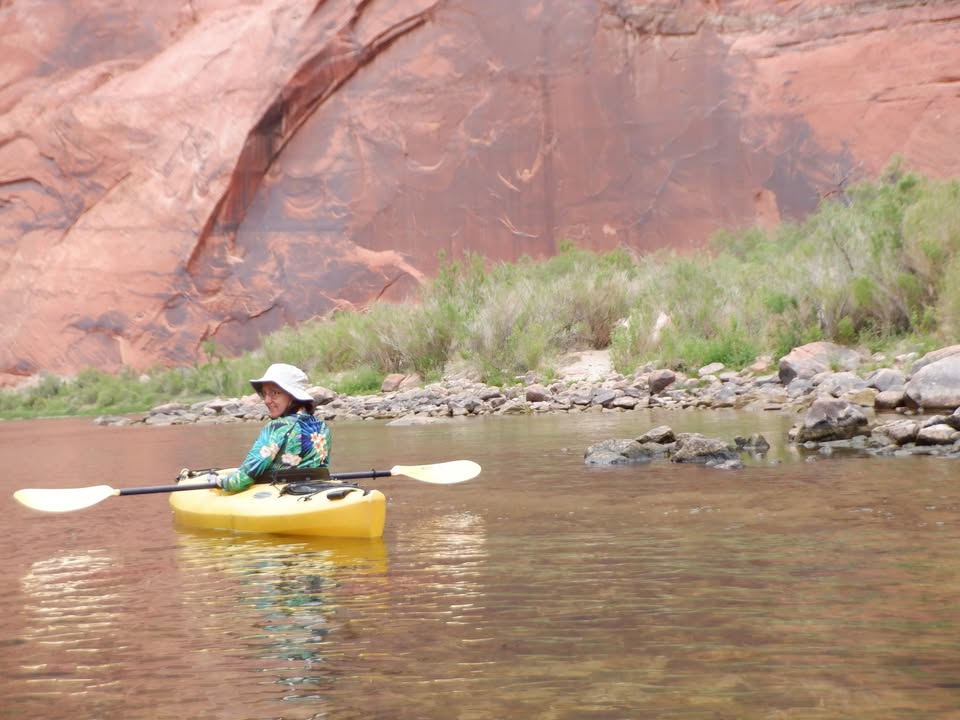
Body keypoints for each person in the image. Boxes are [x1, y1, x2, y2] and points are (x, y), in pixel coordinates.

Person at [215, 363, 331, 493]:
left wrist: (218, 481)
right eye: (265, 394)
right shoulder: (321, 426)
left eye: (274, 393)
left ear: (293, 396)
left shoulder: (277, 427)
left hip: (281, 496)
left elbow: (239, 481)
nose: (267, 400)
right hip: (314, 492)